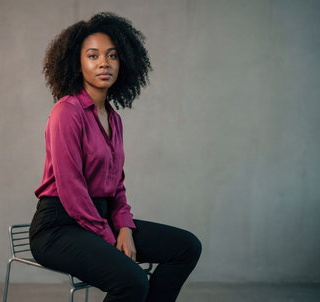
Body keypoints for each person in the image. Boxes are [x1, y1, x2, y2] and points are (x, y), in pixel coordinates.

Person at [30, 12, 201, 302]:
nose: (104, 63)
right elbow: (72, 189)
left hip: (102, 216)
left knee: (186, 247)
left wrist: (124, 226)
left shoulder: (114, 119)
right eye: (93, 56)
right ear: (77, 62)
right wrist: (109, 239)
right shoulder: (66, 112)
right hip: (58, 226)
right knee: (132, 280)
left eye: (112, 56)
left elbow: (116, 185)